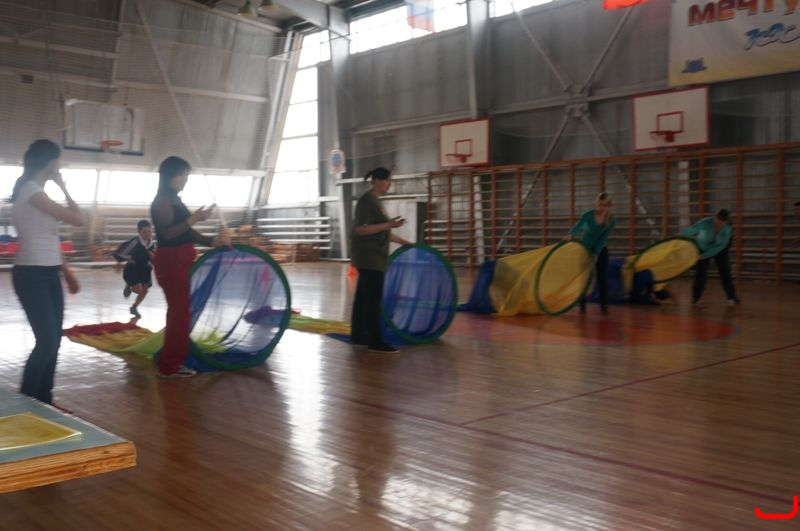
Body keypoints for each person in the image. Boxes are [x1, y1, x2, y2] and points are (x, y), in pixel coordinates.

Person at [9, 139, 84, 404]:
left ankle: (44, 400)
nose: (61, 165)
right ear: (50, 162)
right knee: (48, 342)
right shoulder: (32, 192)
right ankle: (27, 401)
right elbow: (79, 218)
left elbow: (50, 238)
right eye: (59, 160)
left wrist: (66, 272)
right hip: (31, 275)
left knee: (54, 341)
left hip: (50, 273)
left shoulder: (38, 192)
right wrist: (63, 186)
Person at [150, 156, 229, 378]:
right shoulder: (162, 200)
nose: (185, 180)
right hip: (171, 260)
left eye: (187, 175)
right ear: (171, 176)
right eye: (183, 175)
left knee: (180, 312)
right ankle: (169, 366)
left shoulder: (174, 199)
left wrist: (212, 241)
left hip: (179, 259)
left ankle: (172, 360)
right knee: (179, 314)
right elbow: (168, 233)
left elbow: (187, 233)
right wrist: (193, 219)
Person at [350, 167, 412, 354]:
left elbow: (382, 231)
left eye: (390, 181)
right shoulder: (366, 201)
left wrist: (403, 242)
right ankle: (375, 341)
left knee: (363, 298)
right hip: (369, 257)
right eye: (387, 181)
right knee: (373, 300)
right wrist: (388, 224)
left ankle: (359, 336)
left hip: (373, 256)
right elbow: (361, 229)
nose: (389, 184)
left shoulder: (376, 201)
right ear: (376, 181)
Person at [566, 192, 616, 314]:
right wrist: (571, 233)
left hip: (601, 249)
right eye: (600, 205)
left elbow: (603, 238)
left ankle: (604, 305)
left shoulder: (612, 221)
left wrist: (596, 253)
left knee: (602, 277)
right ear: (596, 204)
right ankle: (582, 304)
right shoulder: (588, 215)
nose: (601, 208)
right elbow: (578, 225)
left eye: (605, 205)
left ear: (609, 206)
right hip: (585, 247)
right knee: (583, 277)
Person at [682, 208, 740, 307]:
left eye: (722, 221)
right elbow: (691, 230)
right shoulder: (705, 222)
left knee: (725, 272)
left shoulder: (728, 229)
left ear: (725, 221)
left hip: (719, 250)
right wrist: (683, 234)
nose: (718, 223)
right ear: (715, 217)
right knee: (701, 273)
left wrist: (705, 255)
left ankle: (732, 298)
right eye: (717, 220)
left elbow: (721, 246)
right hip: (702, 247)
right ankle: (696, 298)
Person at [113, 219, 156, 318]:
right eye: (144, 232)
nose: (147, 234)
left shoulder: (153, 244)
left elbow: (155, 257)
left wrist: (153, 258)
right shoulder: (134, 242)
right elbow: (121, 252)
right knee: (139, 290)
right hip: (132, 268)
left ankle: (134, 307)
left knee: (145, 291)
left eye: (149, 231)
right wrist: (119, 263)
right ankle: (129, 285)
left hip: (146, 269)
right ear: (139, 232)